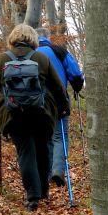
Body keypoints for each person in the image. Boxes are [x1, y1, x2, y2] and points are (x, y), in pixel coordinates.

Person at [0, 24, 70, 211]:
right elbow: (57, 88)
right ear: (33, 39)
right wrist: (63, 108)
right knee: (43, 150)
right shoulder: (41, 58)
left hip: (13, 114)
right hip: (42, 113)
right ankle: (43, 190)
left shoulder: (2, 59)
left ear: (13, 38)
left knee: (25, 152)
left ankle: (33, 196)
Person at [36, 27, 84, 186]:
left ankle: (47, 172)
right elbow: (75, 73)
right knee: (59, 136)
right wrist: (77, 87)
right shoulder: (58, 51)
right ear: (48, 38)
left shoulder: (30, 53)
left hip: (35, 101)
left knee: (44, 137)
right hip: (58, 100)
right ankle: (57, 171)